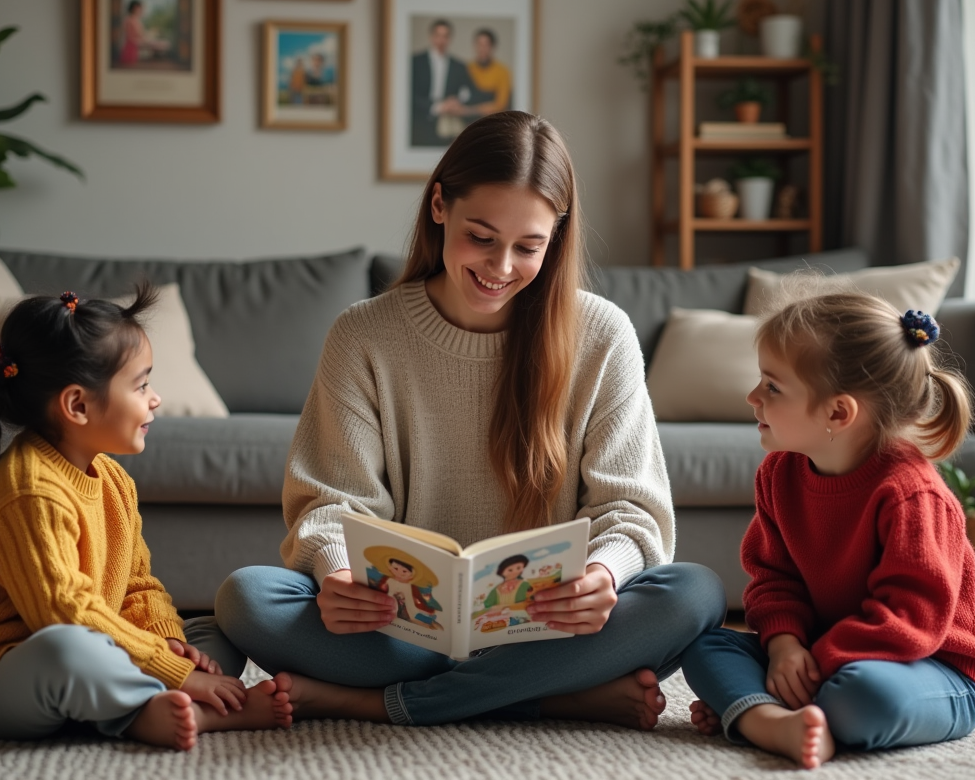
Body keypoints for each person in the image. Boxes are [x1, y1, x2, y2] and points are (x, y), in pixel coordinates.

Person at [216, 110, 726, 730]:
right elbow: (330, 505)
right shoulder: (363, 335)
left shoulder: (602, 334)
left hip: (551, 629)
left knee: (695, 594)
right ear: (439, 206)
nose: (501, 266)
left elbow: (634, 511)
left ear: (556, 236)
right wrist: (338, 573)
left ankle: (385, 703)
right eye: (481, 237)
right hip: (404, 630)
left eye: (528, 246)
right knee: (247, 599)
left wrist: (603, 574)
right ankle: (554, 697)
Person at [0, 288, 286, 750]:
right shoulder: (30, 491)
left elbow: (137, 584)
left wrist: (169, 643)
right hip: (9, 675)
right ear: (78, 406)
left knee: (210, 633)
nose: (156, 398)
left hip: (100, 645)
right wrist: (174, 672)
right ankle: (172, 715)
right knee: (68, 651)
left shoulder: (111, 479)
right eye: (141, 385)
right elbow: (65, 615)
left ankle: (144, 702)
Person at [679, 291, 975, 769]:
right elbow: (773, 580)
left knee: (865, 696)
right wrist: (786, 646)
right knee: (705, 646)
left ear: (837, 413)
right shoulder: (779, 474)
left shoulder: (913, 495)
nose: (752, 397)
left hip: (932, 668)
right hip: (822, 655)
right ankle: (776, 721)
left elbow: (911, 620)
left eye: (772, 386)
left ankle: (752, 709)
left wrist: (812, 664)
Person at [410, 19, 476, 146]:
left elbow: (470, 91)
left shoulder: (459, 66)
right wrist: (437, 107)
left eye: (445, 36)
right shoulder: (416, 62)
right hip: (420, 120)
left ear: (450, 38)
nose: (441, 40)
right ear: (431, 37)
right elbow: (410, 94)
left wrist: (457, 101)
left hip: (448, 123)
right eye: (438, 35)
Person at [465, 28, 512, 117]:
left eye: (486, 45)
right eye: (479, 44)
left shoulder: (502, 71)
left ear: (492, 47)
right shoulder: (468, 69)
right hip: (468, 122)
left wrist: (472, 110)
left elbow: (500, 105)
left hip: (492, 120)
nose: (482, 49)